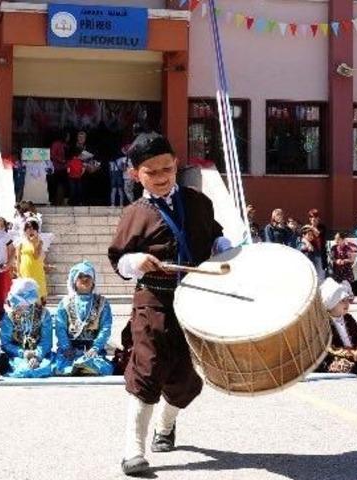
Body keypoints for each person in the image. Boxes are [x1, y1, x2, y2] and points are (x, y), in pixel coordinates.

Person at [107, 135, 230, 476]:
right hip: (153, 301)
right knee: (146, 368)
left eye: (167, 168)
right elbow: (118, 260)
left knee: (188, 378)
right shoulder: (134, 213)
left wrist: (224, 246)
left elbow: (215, 235)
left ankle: (165, 424)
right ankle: (133, 449)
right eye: (151, 172)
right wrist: (135, 261)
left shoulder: (198, 202)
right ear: (136, 174)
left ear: (176, 164)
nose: (161, 177)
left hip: (197, 301)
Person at [53, 261, 114, 376]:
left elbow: (105, 328)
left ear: (93, 281)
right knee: (59, 366)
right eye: (80, 276)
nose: (85, 279)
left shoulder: (102, 303)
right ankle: (78, 367)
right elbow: (60, 328)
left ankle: (83, 366)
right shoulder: (65, 303)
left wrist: (96, 348)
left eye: (88, 276)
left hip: (92, 351)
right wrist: (66, 347)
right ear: (74, 281)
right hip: (69, 351)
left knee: (103, 367)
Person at [0, 278, 54, 378]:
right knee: (24, 369)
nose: (16, 307)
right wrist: (23, 353)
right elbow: (5, 343)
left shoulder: (43, 314)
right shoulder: (9, 316)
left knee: (45, 368)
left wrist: (37, 355)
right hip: (16, 356)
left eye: (20, 303)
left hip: (41, 355)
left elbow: (46, 340)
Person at [317, 278, 357, 374]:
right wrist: (353, 354)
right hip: (334, 358)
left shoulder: (348, 318)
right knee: (346, 366)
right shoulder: (323, 322)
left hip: (355, 355)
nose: (347, 304)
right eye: (342, 301)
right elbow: (329, 348)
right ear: (331, 303)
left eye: (347, 300)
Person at [15, 218, 47, 302]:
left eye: (33, 229)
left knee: (37, 290)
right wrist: (18, 272)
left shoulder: (40, 242)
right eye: (28, 229)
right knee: (26, 290)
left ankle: (38, 305)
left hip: (37, 269)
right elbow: (18, 259)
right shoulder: (20, 243)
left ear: (37, 231)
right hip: (25, 270)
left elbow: (36, 256)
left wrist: (34, 244)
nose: (31, 231)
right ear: (25, 231)